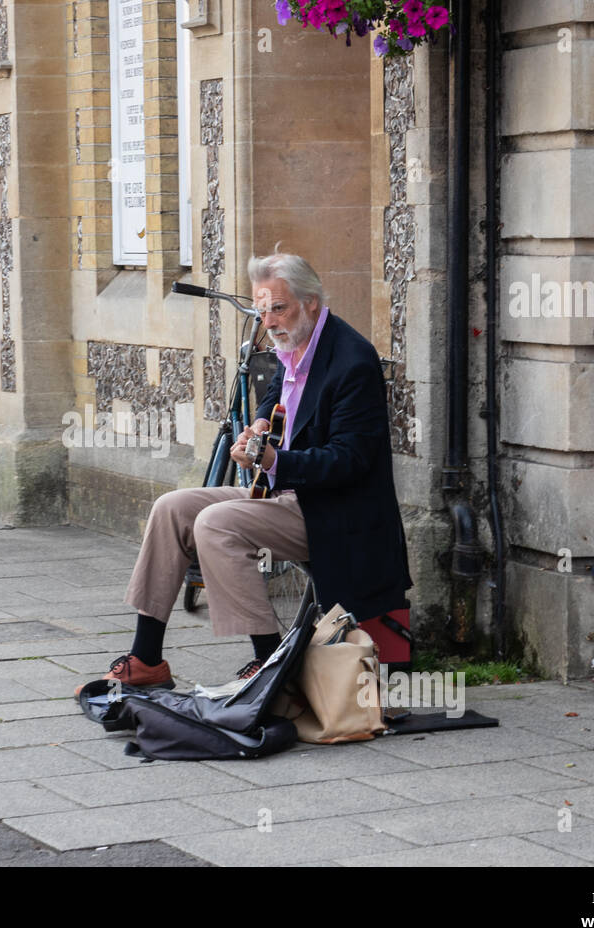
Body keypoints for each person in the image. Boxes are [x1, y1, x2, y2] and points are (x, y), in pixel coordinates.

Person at [77, 252, 413, 693]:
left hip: (334, 513)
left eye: (279, 308)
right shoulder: (297, 345)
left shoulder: (352, 360)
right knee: (171, 507)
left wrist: (275, 461)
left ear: (310, 302)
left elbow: (351, 460)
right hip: (287, 496)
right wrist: (258, 424)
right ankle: (147, 658)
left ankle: (268, 661)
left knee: (216, 523)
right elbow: (278, 390)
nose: (269, 322)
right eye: (262, 310)